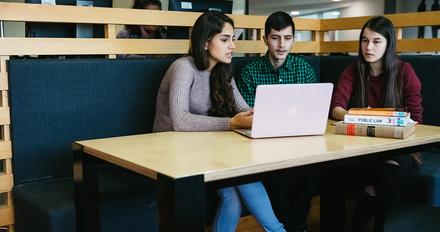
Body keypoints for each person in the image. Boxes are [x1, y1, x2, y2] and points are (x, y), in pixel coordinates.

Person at [153, 11, 286, 232]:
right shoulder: (183, 68)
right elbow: (179, 120)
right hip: (169, 152)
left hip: (203, 149)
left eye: (233, 39)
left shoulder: (223, 71)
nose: (232, 46)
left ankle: (277, 229)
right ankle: (277, 230)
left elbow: (243, 109)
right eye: (225, 40)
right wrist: (231, 124)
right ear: (205, 42)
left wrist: (270, 112)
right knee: (243, 178)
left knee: (233, 195)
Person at [330, 16, 423, 232]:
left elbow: (416, 118)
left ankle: (364, 221)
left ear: (389, 44)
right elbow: (336, 108)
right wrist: (362, 116)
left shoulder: (405, 71)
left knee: (387, 172)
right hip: (363, 148)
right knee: (332, 172)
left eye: (376, 41)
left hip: (401, 149)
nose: (368, 47)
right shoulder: (353, 70)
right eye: (364, 40)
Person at [236, 11, 317, 232]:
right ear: (265, 39)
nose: (282, 45)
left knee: (310, 173)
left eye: (287, 38)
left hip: (301, 147)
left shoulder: (304, 70)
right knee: (280, 180)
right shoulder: (250, 73)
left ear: (293, 39)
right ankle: (289, 227)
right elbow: (249, 118)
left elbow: (313, 113)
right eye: (275, 37)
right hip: (265, 149)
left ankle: (298, 226)